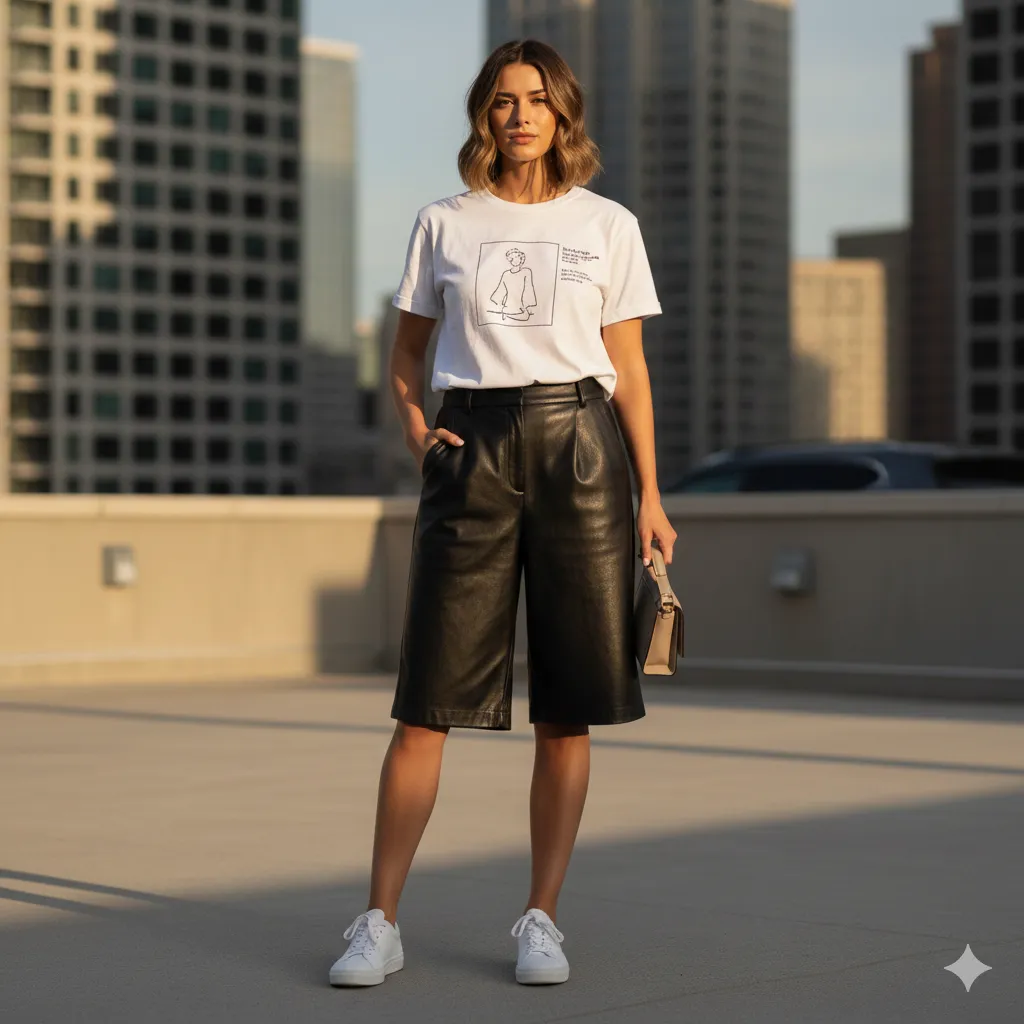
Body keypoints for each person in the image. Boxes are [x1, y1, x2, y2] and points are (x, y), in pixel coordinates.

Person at [329, 37, 676, 989]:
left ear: (563, 114)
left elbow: (631, 370)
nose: (518, 115)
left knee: (568, 710)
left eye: (535, 100)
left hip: (582, 447)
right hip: (469, 448)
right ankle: (379, 921)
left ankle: (541, 918)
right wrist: (415, 434)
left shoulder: (608, 224)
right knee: (424, 706)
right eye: (501, 101)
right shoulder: (444, 223)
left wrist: (651, 495)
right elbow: (405, 358)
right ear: (483, 116)